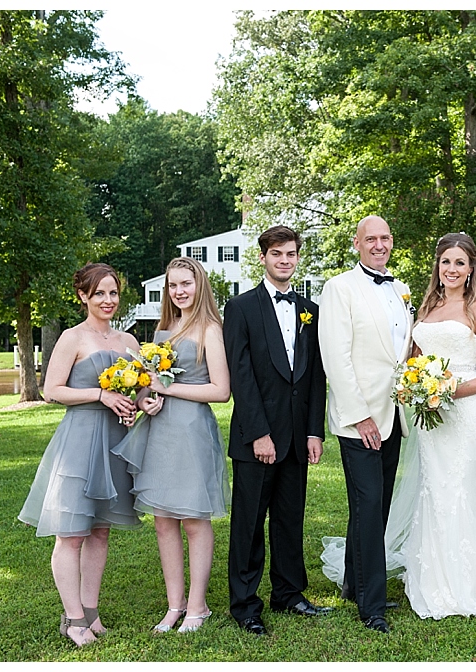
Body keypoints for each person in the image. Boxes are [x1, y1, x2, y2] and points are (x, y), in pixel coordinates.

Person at [387, 232, 476, 621]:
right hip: (431, 413)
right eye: (446, 262)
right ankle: (433, 578)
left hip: (466, 411)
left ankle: (471, 581)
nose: (452, 269)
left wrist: (452, 390)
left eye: (460, 262)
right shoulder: (425, 307)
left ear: (471, 268)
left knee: (463, 487)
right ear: (437, 267)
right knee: (435, 488)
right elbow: (414, 358)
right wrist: (416, 386)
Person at [18, 263, 142, 647]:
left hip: (114, 442)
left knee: (100, 530)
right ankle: (72, 619)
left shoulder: (129, 343)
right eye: (100, 293)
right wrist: (100, 395)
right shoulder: (73, 338)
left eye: (113, 293)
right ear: (83, 297)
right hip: (79, 440)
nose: (108, 300)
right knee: (71, 534)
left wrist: (138, 403)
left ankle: (91, 612)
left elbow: (139, 391)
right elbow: (53, 389)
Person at [112, 257, 232, 633]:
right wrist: (147, 395)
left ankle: (198, 607)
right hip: (160, 429)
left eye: (187, 284)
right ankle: (174, 605)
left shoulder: (210, 329)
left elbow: (221, 391)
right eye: (173, 285)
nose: (179, 291)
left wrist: (169, 388)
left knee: (194, 520)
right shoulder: (165, 328)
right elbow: (152, 382)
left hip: (191, 431)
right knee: (164, 521)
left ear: (200, 286)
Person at [223, 226, 330, 637]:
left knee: (290, 519)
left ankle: (288, 592)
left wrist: (314, 431)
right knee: (249, 524)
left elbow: (315, 376)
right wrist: (259, 434)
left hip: (297, 438)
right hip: (258, 437)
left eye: (291, 254)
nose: (285, 261)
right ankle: (245, 605)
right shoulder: (242, 307)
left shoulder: (310, 310)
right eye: (277, 254)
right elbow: (241, 375)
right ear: (263, 257)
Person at [318, 215, 413, 634]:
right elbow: (334, 356)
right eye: (370, 239)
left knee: (375, 505)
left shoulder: (398, 288)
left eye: (385, 238)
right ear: (356, 243)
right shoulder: (339, 288)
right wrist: (359, 415)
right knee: (369, 503)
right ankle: (372, 607)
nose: (379, 245)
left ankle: (353, 584)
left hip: (394, 413)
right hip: (360, 418)